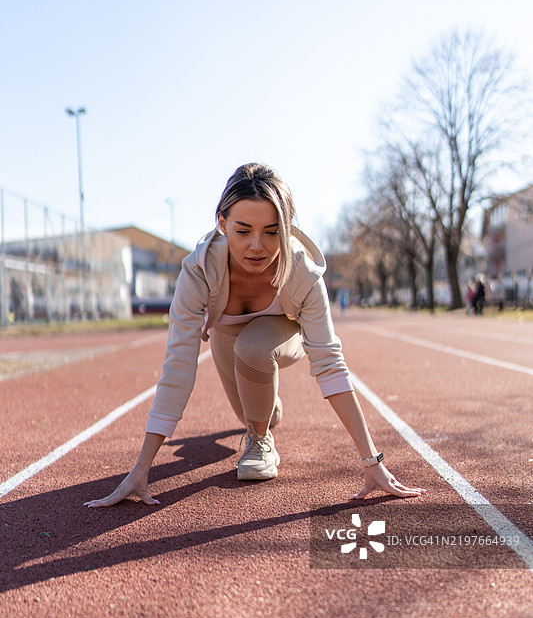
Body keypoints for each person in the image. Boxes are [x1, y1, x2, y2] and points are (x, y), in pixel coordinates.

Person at [84, 163, 425, 508]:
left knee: (254, 352)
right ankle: (266, 412)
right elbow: (178, 367)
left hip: (281, 335)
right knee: (249, 409)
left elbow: (329, 363)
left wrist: (372, 463)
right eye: (243, 231)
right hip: (225, 338)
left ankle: (260, 441)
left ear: (288, 229)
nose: (257, 246)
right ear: (222, 223)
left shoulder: (303, 274)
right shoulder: (198, 272)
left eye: (272, 232)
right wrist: (142, 468)